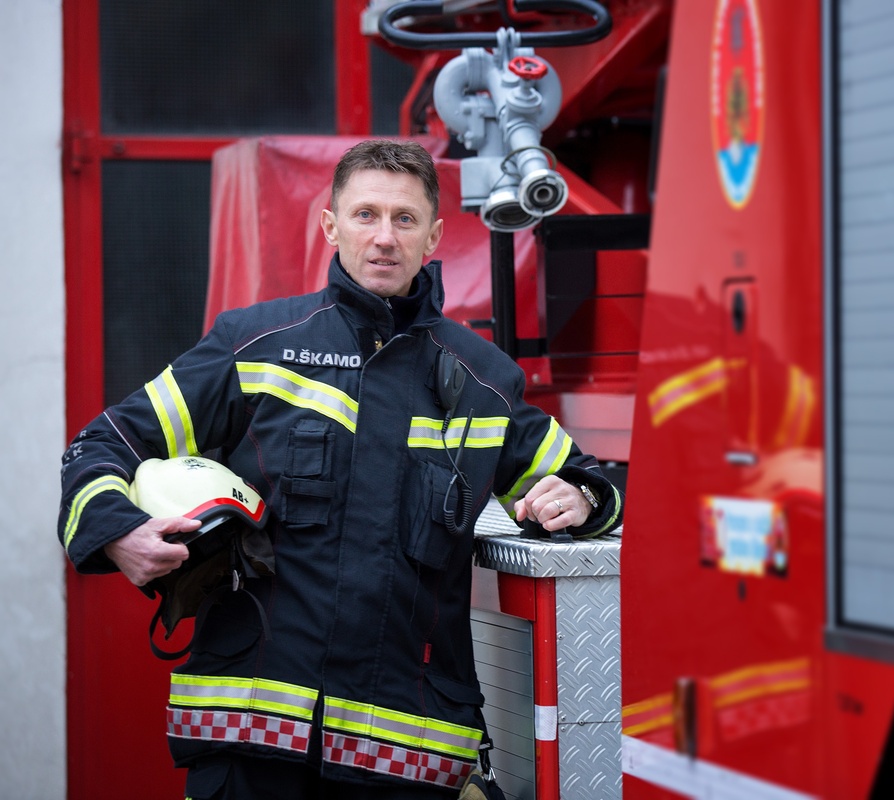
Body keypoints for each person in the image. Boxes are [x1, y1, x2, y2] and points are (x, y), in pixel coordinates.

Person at [57, 139, 623, 799]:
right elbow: (106, 442)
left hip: (404, 761)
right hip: (250, 742)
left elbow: (591, 480)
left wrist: (582, 499)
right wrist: (117, 532)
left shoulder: (484, 382)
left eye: (405, 219)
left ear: (434, 236)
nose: (384, 237)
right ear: (331, 226)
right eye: (365, 215)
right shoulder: (255, 347)